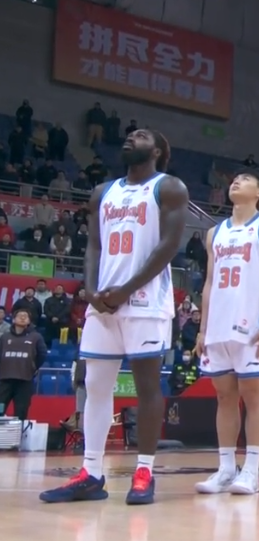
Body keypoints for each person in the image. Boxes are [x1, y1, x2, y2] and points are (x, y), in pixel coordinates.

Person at [40, 129, 188, 505]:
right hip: (103, 303)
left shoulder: (168, 187)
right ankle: (91, 473)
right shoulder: (102, 192)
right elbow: (93, 246)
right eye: (128, 135)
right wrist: (90, 290)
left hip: (146, 302)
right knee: (95, 386)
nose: (129, 138)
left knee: (147, 387)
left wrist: (127, 289)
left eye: (140, 136)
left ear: (157, 150)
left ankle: (144, 471)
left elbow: (169, 246)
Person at [192, 171, 259, 494]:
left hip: (251, 326)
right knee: (224, 397)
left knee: (253, 396)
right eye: (234, 179)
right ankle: (226, 469)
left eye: (245, 179)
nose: (236, 181)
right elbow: (208, 282)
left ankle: (251, 470)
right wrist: (203, 329)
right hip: (218, 326)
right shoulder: (214, 233)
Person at [0, 308, 47, 420]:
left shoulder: (36, 337)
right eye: (19, 316)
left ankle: (19, 431)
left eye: (25, 316)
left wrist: (33, 367)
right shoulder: (4, 337)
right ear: (13, 319)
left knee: (21, 412)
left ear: (29, 321)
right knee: (0, 409)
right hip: (4, 380)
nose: (22, 318)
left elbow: (42, 354)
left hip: (24, 380)